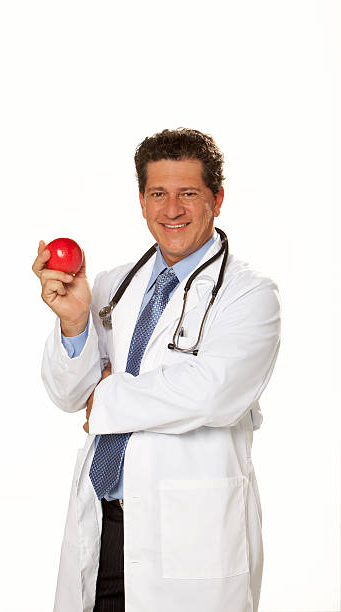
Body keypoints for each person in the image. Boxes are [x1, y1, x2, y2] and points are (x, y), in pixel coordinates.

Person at [32, 128, 281, 612]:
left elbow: (212, 394)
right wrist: (76, 322)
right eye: (158, 194)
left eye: (188, 193)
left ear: (217, 199)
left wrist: (106, 397)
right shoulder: (111, 285)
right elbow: (69, 395)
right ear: (142, 201)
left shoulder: (249, 295)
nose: (172, 209)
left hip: (191, 537)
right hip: (105, 524)